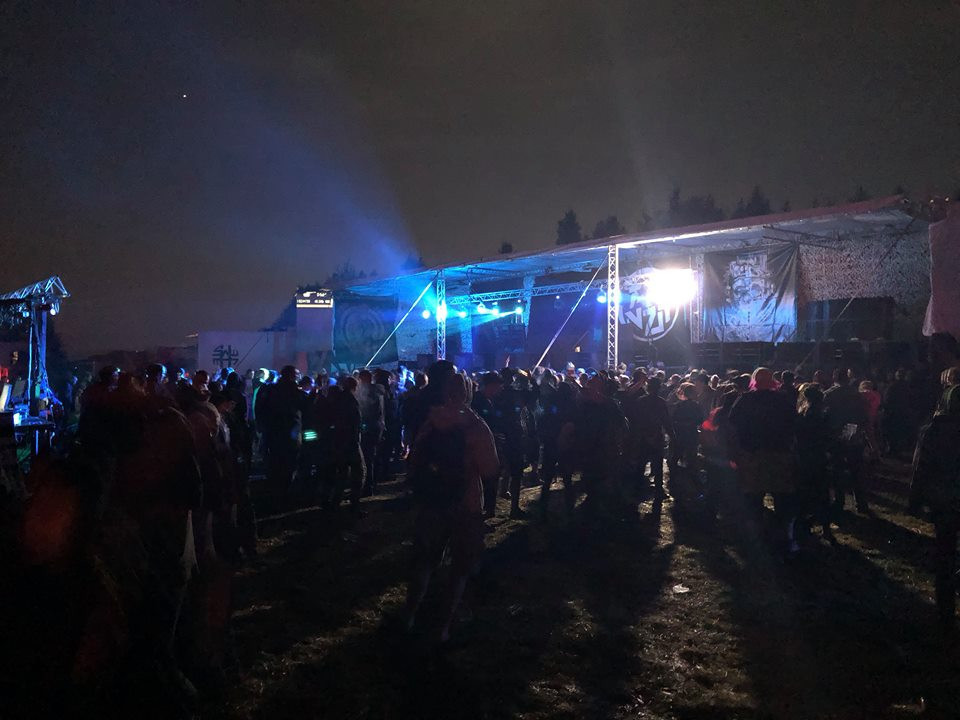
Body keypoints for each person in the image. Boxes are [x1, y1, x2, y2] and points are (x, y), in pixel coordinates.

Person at [401, 372, 498, 643]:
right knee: (460, 568)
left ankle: (409, 614)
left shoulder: (431, 421)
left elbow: (415, 458)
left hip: (433, 501)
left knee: (424, 562)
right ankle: (443, 626)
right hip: (466, 504)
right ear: (468, 393)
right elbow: (490, 468)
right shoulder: (476, 426)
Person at [728, 368, 799, 555]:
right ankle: (782, 537)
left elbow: (732, 425)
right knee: (781, 498)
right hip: (779, 455)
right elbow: (794, 423)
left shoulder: (745, 400)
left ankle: (757, 538)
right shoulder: (782, 400)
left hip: (753, 455)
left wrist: (736, 452)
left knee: (753, 498)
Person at [911, 385, 960, 629]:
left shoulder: (933, 430)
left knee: (946, 555)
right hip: (947, 498)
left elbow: (921, 467)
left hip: (945, 500)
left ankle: (945, 610)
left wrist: (915, 500)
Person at [823, 368, 870, 515]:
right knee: (857, 471)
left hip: (836, 437)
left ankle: (839, 502)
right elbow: (865, 417)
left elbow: (824, 416)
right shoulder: (857, 395)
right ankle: (861, 503)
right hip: (854, 437)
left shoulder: (828, 394)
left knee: (838, 471)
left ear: (834, 378)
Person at [795, 383, 835, 544]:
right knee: (822, 494)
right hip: (819, 458)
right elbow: (828, 437)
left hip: (805, 458)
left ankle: (804, 526)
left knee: (805, 493)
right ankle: (825, 527)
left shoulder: (802, 416)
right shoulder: (823, 416)